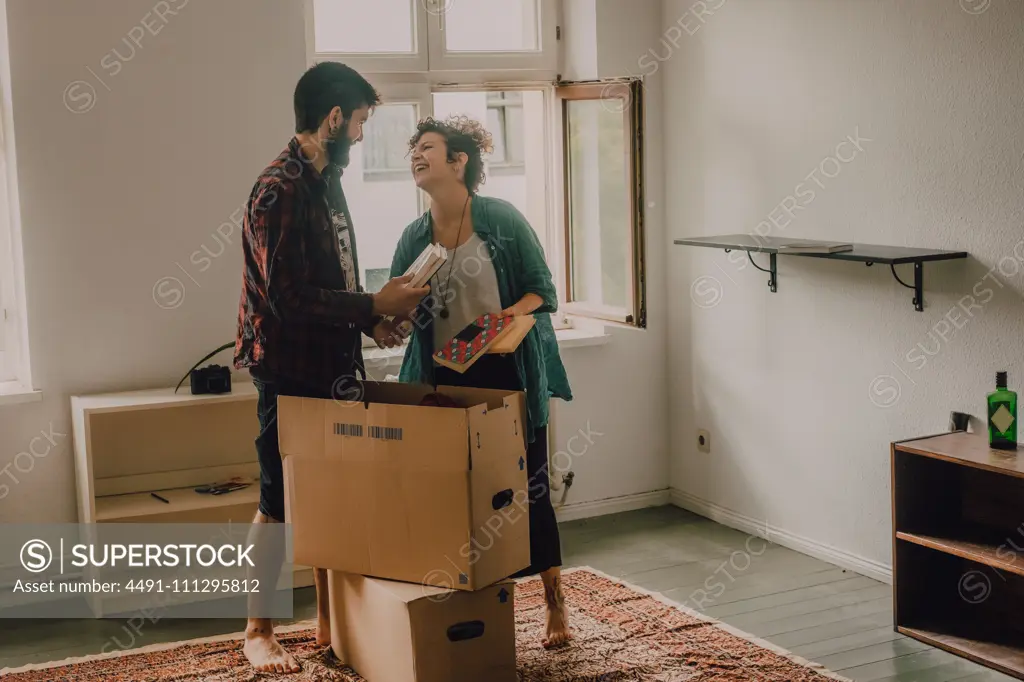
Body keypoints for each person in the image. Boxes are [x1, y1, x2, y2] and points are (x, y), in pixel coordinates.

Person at [234, 61, 428, 674]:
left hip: (334, 362)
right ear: (335, 118)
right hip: (287, 370)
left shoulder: (328, 178)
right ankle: (257, 630)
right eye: (363, 121)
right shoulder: (278, 188)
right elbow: (285, 296)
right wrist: (373, 303)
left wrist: (371, 321)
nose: (364, 135)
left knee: (330, 495)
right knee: (279, 499)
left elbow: (332, 277)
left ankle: (328, 621)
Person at [388, 115, 575, 648]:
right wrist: (388, 318)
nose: (416, 157)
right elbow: (397, 305)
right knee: (456, 493)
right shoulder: (414, 235)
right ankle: (471, 601)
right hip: (444, 374)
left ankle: (555, 602)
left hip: (507, 369)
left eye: (427, 147)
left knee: (529, 487)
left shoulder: (502, 218)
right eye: (413, 150)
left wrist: (501, 320)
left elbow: (543, 291)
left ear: (459, 161)